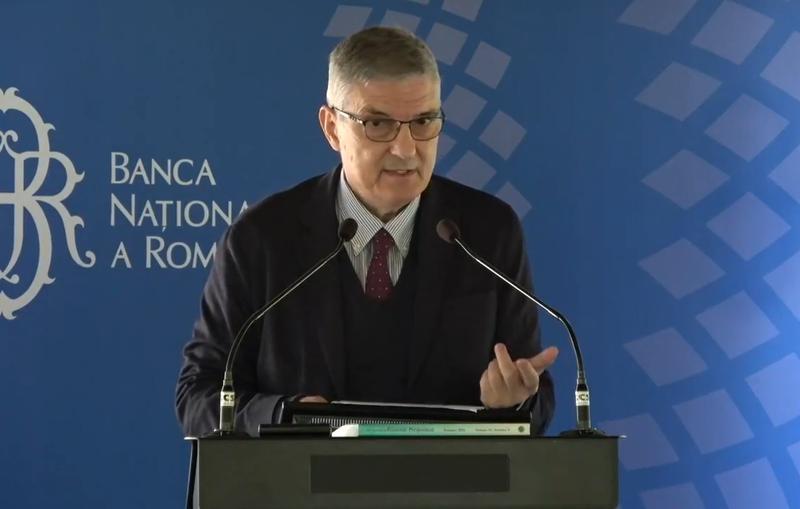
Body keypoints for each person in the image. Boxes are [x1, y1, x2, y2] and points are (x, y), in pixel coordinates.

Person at [176, 26, 557, 437]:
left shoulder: (487, 232)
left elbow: (534, 396)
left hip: (449, 477)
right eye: (378, 123)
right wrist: (284, 416)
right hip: (303, 477)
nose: (406, 149)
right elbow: (199, 395)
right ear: (332, 128)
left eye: (423, 121)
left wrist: (513, 402)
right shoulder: (261, 238)